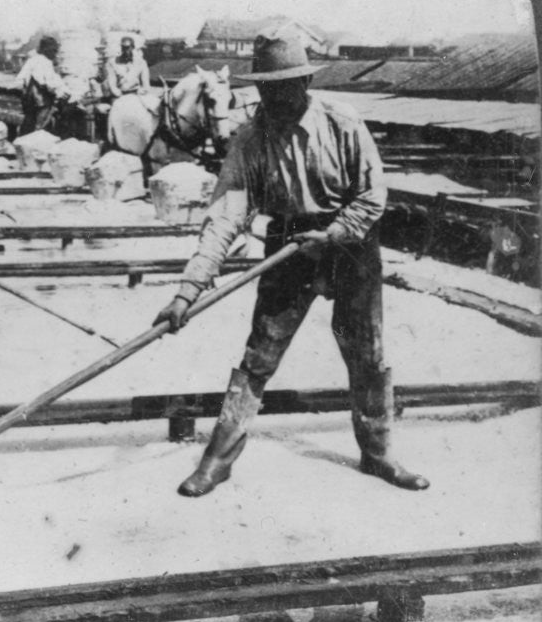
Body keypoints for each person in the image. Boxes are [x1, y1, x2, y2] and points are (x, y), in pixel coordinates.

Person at [154, 32, 429, 497]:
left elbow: (372, 195)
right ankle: (217, 461)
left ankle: (379, 452)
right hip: (288, 243)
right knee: (259, 354)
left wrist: (333, 234)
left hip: (349, 241)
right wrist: (187, 291)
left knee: (367, 353)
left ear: (304, 82)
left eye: (285, 86)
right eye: (266, 87)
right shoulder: (250, 138)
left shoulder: (342, 122)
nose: (275, 97)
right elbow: (225, 217)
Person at [15, 35, 72, 137]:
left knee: (29, 123)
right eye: (54, 51)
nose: (55, 54)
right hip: (41, 101)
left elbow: (20, 78)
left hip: (28, 100)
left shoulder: (32, 60)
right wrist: (61, 93)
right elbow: (48, 83)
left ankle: (23, 140)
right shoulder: (45, 62)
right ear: (47, 50)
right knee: (40, 126)